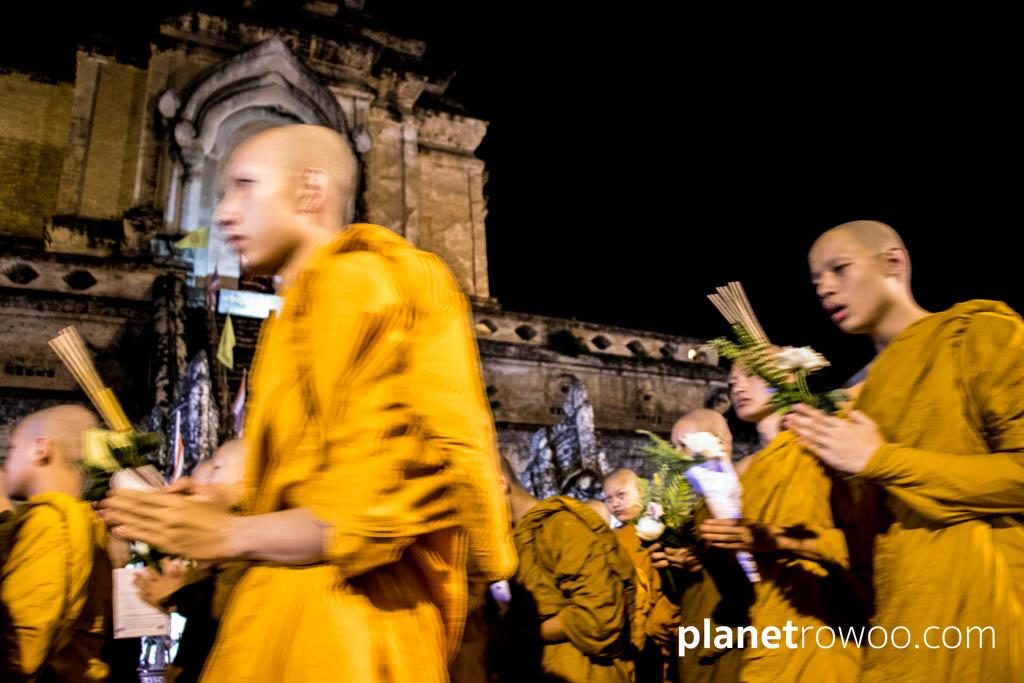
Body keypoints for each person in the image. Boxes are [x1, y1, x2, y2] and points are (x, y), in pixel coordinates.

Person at [101, 124, 516, 681]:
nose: (223, 213)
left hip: (347, 628)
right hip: (293, 613)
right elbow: (314, 477)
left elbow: (367, 513)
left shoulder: (354, 282)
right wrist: (221, 501)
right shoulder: (298, 311)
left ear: (309, 190)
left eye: (244, 185)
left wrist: (228, 534)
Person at [789, 219, 1024, 681]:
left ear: (894, 262)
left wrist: (880, 461)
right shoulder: (861, 392)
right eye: (816, 282)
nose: (825, 289)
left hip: (988, 605)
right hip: (900, 612)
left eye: (839, 269)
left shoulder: (978, 335)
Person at [1, 406, 112, 681]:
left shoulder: (51, 521)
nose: (7, 464)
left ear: (41, 449)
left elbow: (23, 647)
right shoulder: (86, 520)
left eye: (13, 451)